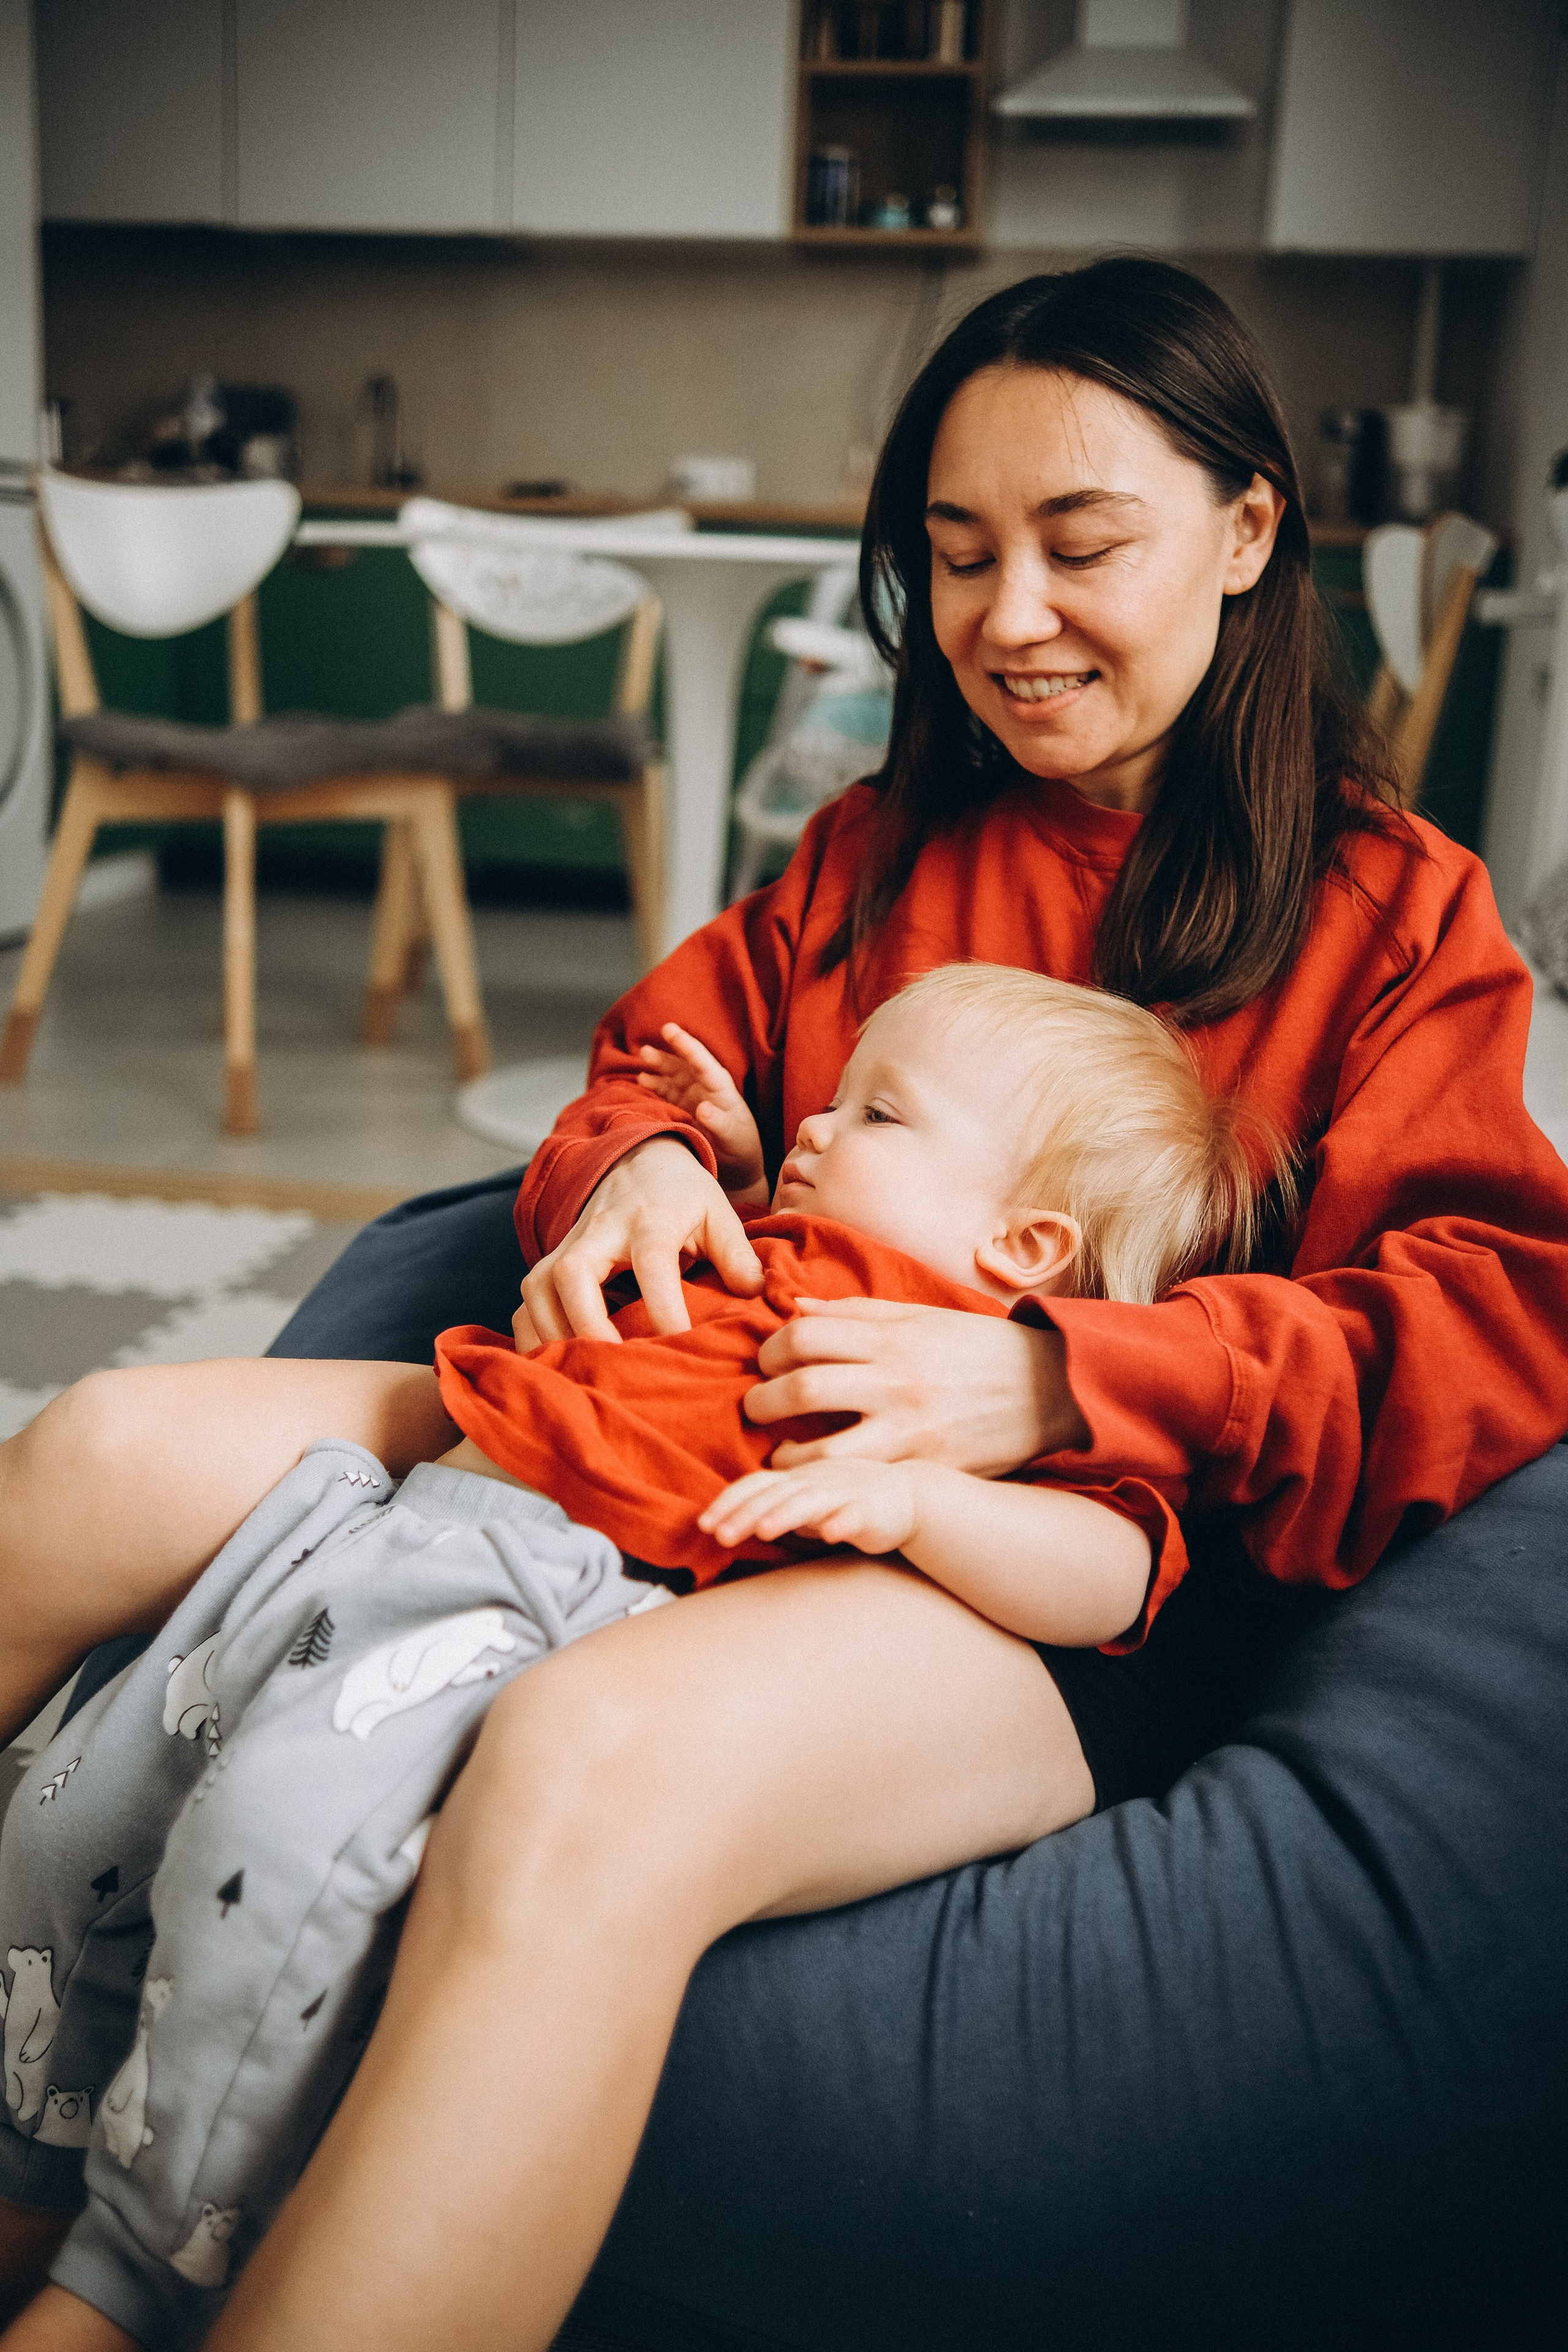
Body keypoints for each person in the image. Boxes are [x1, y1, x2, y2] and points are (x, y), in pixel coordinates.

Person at [1, 252, 1566, 2351]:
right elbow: (664, 1060)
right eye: (958, 556)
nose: (1011, 620)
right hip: (670, 1427)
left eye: (1081, 544)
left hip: (1022, 1580)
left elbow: (1488, 1315)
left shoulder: (1396, 921)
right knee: (96, 1451)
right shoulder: (875, 849)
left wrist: (1053, 1377)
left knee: (586, 1761)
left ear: (1251, 531)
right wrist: (637, 1155)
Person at [2, 964, 1270, 2352]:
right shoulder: (773, 1228)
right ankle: (26, 2176)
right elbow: (635, 1117)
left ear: (1026, 1248)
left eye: (878, 1116)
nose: (819, 1127)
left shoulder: (971, 1377)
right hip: (390, 1523)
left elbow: (1113, 1571)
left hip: (519, 1598)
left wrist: (926, 1505)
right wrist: (686, 1158)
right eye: (828, 1098)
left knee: (271, 1866)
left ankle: (119, 2286)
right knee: (80, 1816)